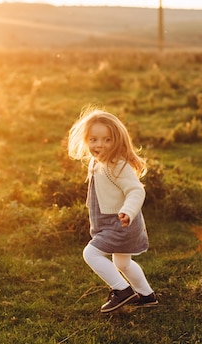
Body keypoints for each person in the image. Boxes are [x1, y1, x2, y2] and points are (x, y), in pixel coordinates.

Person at [68, 107, 158, 313]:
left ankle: (122, 291)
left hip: (121, 223)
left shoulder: (117, 165)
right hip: (115, 222)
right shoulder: (96, 162)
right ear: (86, 140)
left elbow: (136, 190)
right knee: (123, 263)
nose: (99, 145)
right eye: (93, 139)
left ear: (117, 140)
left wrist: (128, 211)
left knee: (91, 253)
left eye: (107, 140)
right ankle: (146, 295)